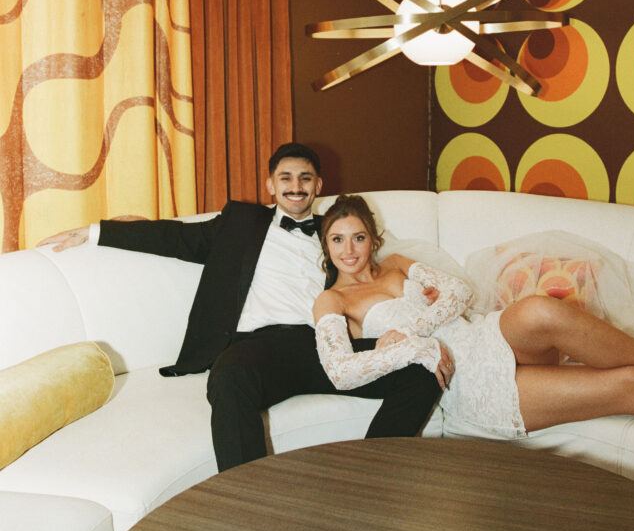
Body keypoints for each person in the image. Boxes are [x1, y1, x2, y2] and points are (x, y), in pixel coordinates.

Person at [40, 144, 445, 470]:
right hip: (260, 347)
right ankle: (245, 499)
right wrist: (95, 232)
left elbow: (377, 280)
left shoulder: (338, 233)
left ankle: (373, 474)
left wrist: (401, 331)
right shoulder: (240, 224)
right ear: (270, 185)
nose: (295, 186)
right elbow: (174, 238)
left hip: (326, 345)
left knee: (422, 372)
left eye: (305, 177)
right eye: (285, 177)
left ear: (318, 184)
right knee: (229, 378)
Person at [313, 194, 634, 439]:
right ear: (326, 247)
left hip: (483, 336)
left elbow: (459, 291)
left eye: (358, 237)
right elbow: (340, 372)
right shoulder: (333, 300)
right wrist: (409, 346)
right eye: (338, 239)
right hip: (468, 381)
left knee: (541, 308)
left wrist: (410, 329)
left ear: (372, 240)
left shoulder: (395, 265)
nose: (349, 250)